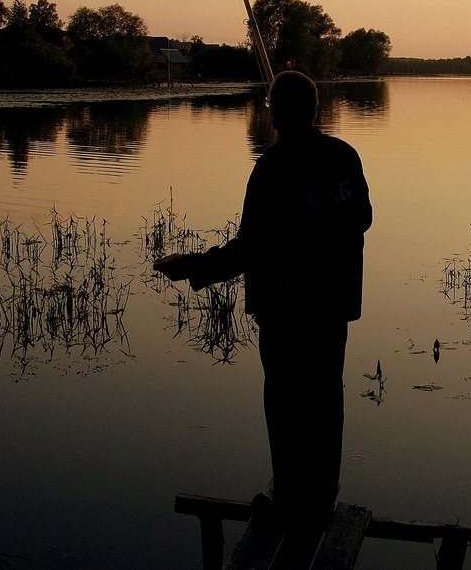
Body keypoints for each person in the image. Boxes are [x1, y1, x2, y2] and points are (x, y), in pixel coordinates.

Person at [154, 70, 372, 531]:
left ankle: (290, 503)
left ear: (274, 114)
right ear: (314, 110)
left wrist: (189, 266)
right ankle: (319, 498)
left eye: (271, 106)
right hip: (333, 308)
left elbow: (247, 249)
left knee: (287, 404)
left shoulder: (272, 166)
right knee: (326, 398)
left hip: (288, 310)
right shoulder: (345, 155)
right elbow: (362, 218)